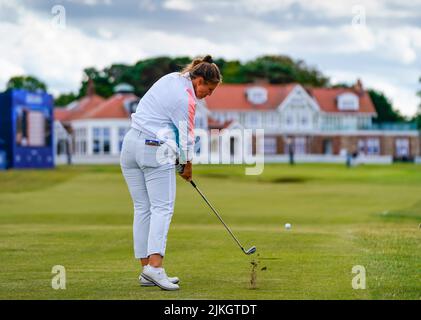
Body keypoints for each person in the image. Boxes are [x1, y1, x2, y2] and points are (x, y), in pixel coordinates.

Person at [120, 55, 222, 291]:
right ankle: (155, 267)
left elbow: (166, 125)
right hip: (153, 149)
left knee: (142, 208)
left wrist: (177, 159)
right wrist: (187, 165)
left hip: (130, 146)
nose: (209, 94)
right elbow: (186, 135)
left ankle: (146, 270)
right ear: (199, 80)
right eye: (209, 88)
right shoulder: (186, 98)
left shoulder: (169, 79)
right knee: (162, 208)